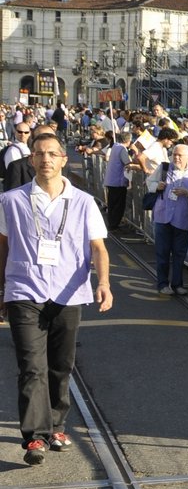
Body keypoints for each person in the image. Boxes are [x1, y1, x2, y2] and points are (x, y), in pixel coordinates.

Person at [0, 132, 114, 464]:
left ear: (63, 159)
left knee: (61, 366)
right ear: (30, 160)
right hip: (25, 289)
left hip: (69, 291)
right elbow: (2, 247)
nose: (46, 159)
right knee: (31, 366)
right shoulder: (10, 201)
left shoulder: (83, 202)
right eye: (39, 153)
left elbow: (98, 247)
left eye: (52, 153)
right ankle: (34, 438)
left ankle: (56, 425)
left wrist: (104, 282)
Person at [150, 142, 188, 296]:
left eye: (180, 155)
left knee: (179, 253)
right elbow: (149, 183)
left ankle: (177, 284)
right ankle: (162, 284)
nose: (176, 157)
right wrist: (157, 186)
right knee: (162, 252)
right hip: (163, 216)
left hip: (182, 218)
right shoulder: (164, 168)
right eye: (174, 154)